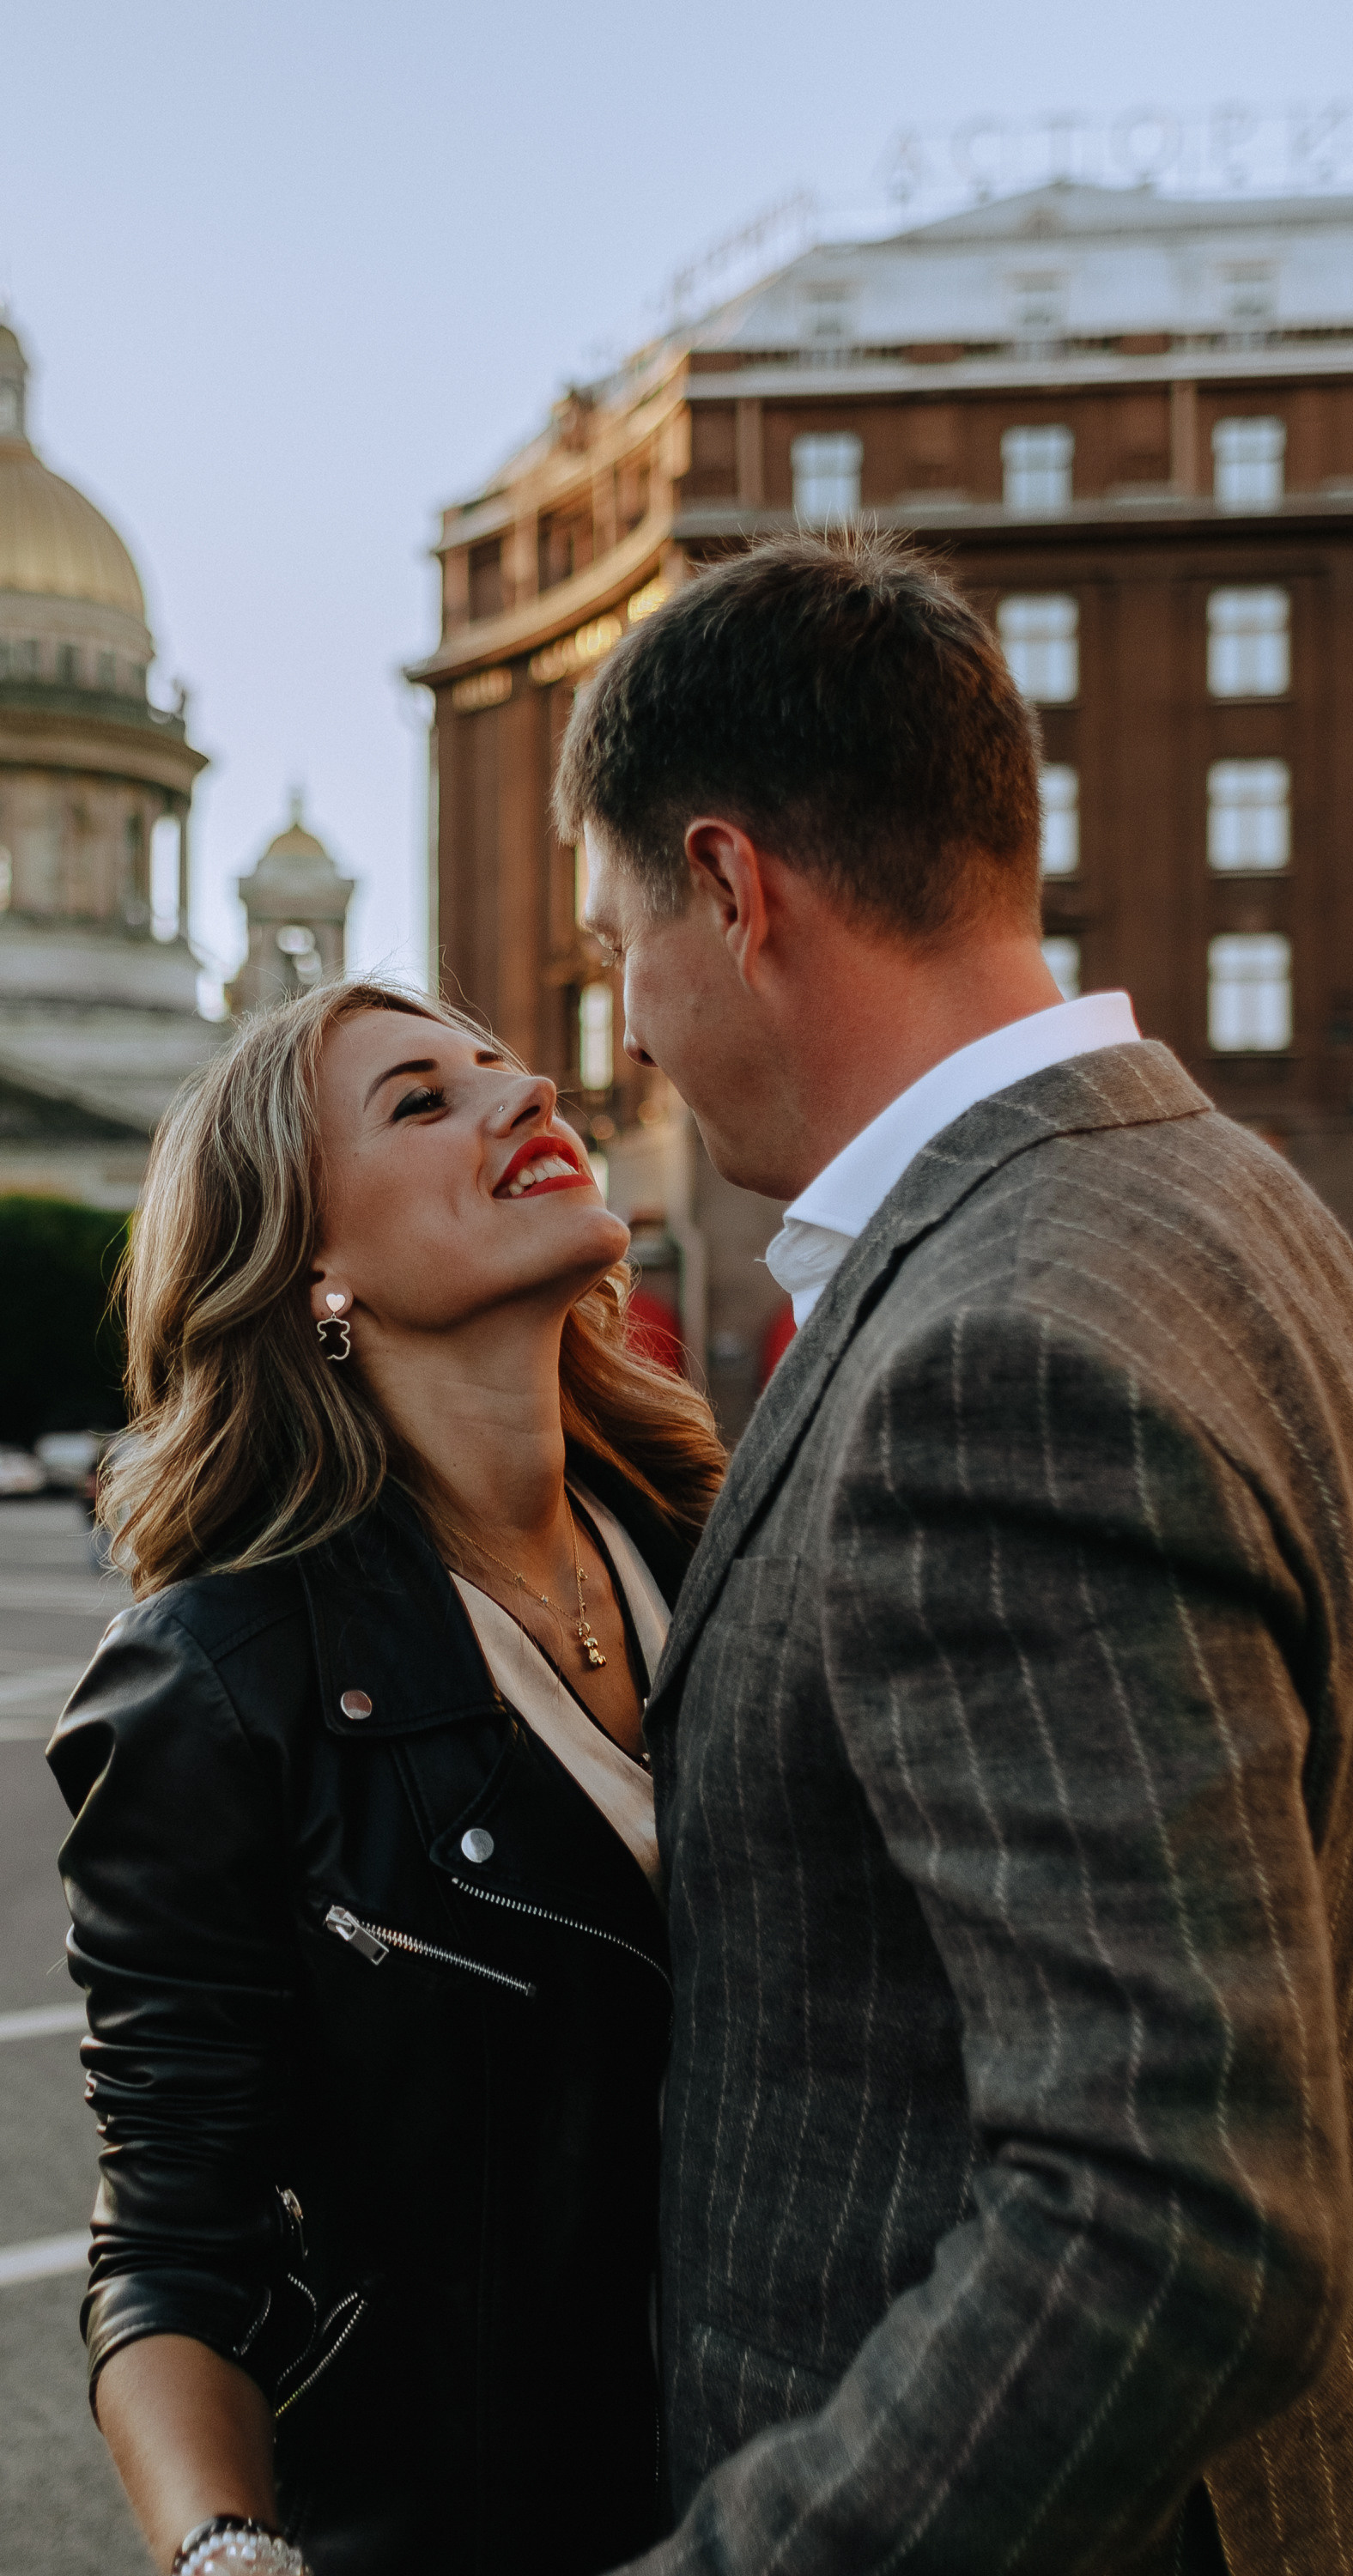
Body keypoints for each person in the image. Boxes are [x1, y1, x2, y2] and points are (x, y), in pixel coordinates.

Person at [560, 529, 1353, 2576]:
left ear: (733, 892)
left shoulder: (987, 1352)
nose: (625, 1029)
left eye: (616, 944)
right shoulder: (1232, 1202)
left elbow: (1168, 2215)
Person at [46, 981, 724, 2576]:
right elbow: (171, 2243)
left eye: (505, 1066)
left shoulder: (719, 1549)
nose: (528, 1090)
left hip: (837, 2484)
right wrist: (227, 2553)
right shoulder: (213, 1683)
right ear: (309, 1270)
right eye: (422, 1101)